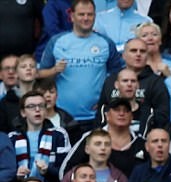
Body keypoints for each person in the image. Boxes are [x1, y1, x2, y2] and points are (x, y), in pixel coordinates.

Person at [37, 0, 123, 132]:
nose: (86, 18)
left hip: (96, 117)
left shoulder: (106, 43)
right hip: (62, 117)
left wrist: (107, 100)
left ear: (95, 16)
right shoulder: (56, 42)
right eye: (81, 14)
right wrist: (54, 70)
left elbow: (118, 75)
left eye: (90, 14)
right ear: (72, 16)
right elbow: (41, 76)